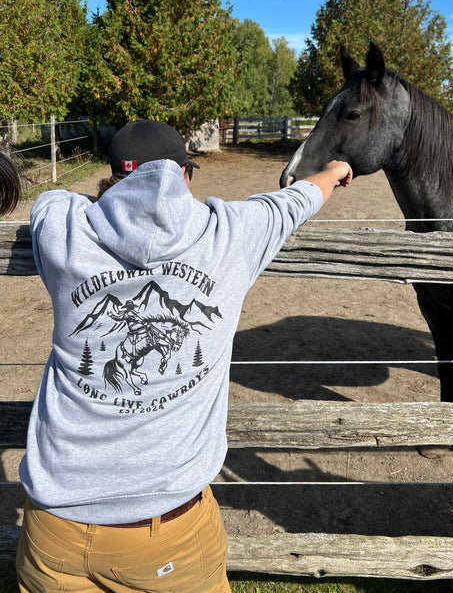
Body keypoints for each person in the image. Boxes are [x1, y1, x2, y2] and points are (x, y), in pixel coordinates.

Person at [16, 119, 352, 593]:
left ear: (111, 177)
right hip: (165, 532)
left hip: (55, 527)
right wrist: (334, 171)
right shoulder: (232, 232)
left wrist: (102, 202)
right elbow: (296, 199)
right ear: (186, 174)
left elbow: (51, 198)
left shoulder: (64, 227)